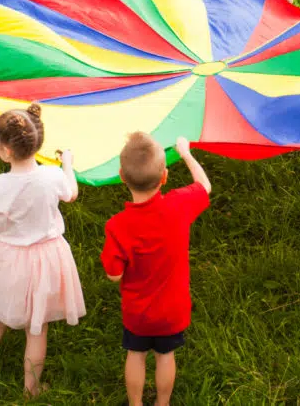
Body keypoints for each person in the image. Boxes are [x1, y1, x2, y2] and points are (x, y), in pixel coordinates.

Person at [0, 105, 85, 397]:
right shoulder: (52, 177)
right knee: (37, 329)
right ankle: (31, 390)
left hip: (9, 258)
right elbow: (72, 193)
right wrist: (67, 164)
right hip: (46, 258)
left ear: (5, 150)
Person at [101, 135, 211, 406]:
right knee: (165, 357)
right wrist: (186, 153)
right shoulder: (179, 204)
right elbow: (204, 186)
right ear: (164, 176)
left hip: (138, 313)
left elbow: (113, 274)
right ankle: (163, 403)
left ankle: (135, 403)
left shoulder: (117, 226)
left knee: (135, 355)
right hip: (172, 310)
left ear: (121, 177)